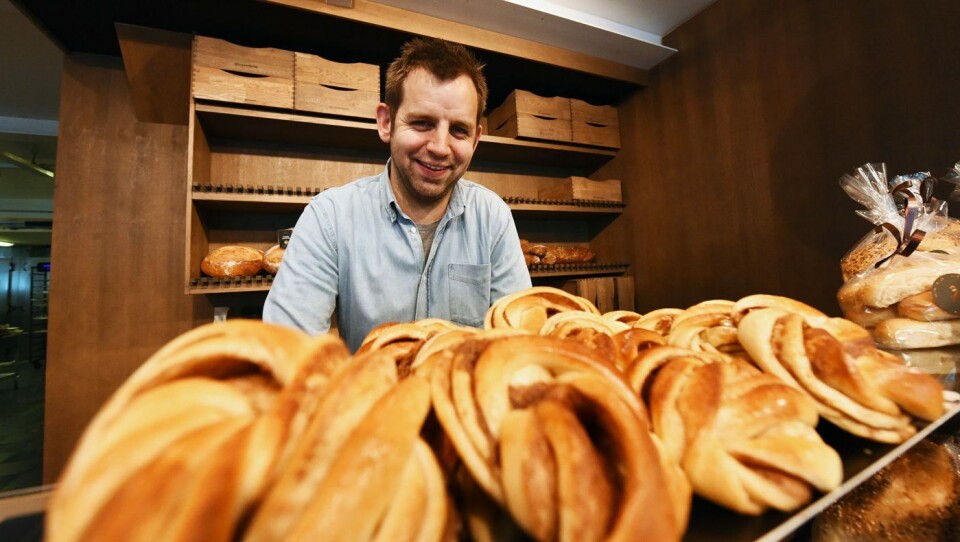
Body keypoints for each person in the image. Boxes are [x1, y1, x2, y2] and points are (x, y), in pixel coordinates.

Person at [263, 37, 531, 352]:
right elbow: (287, 354)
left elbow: (518, 346)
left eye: (459, 130)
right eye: (422, 123)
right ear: (386, 122)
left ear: (475, 140)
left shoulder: (492, 218)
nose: (440, 147)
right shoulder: (330, 218)